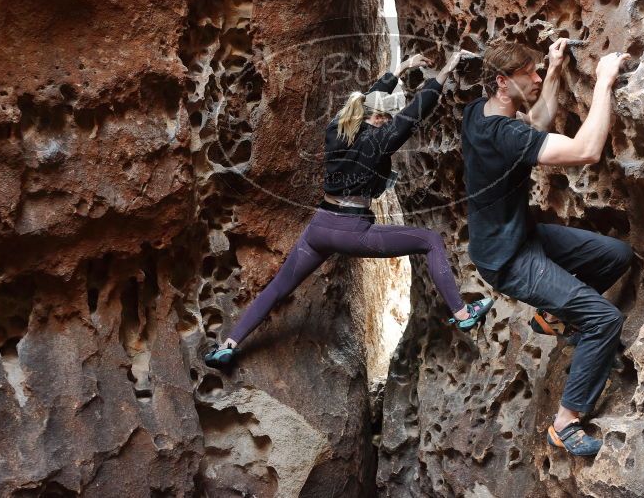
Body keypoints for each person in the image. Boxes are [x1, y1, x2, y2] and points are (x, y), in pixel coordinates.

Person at [204, 51, 494, 369]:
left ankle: (229, 344)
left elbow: (368, 98)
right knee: (430, 241)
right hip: (353, 232)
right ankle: (463, 314)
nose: (387, 118)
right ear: (377, 116)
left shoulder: (335, 130)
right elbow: (416, 112)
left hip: (319, 228)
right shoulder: (380, 140)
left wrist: (403, 68)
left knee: (277, 288)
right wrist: (446, 70)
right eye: (384, 115)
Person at [460, 37, 633, 456]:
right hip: (509, 259)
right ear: (503, 83)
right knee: (604, 319)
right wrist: (604, 83)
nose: (536, 78)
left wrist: (554, 71)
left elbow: (534, 125)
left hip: (521, 234)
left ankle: (555, 315)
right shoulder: (502, 133)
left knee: (618, 255)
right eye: (529, 74)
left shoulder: (478, 113)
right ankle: (566, 423)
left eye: (538, 71)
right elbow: (586, 151)